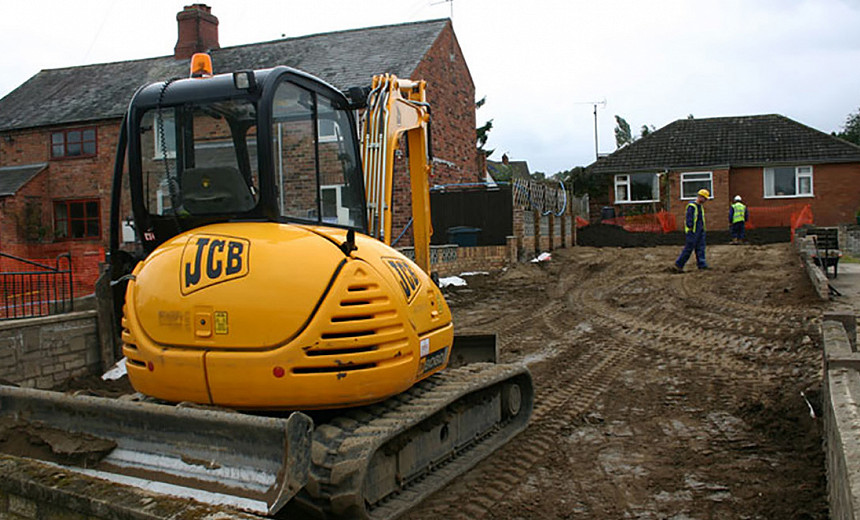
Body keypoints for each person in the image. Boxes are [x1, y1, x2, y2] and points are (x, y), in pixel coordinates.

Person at [672, 189, 709, 272]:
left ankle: (702, 264)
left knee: (700, 248)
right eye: (704, 198)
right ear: (700, 196)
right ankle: (679, 264)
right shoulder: (692, 206)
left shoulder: (700, 207)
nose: (705, 200)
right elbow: (689, 219)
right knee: (689, 248)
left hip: (700, 231)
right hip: (693, 231)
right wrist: (690, 228)